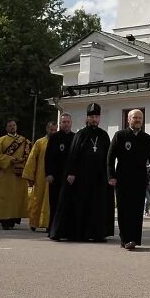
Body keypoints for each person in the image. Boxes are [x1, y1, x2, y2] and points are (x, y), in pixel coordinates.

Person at [49, 103, 112, 242]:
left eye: (96, 117)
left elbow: (109, 157)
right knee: (80, 205)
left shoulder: (104, 135)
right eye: (92, 117)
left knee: (97, 206)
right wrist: (71, 173)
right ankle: (79, 233)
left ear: (99, 118)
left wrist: (110, 174)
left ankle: (97, 234)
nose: (94, 119)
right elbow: (73, 155)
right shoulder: (81, 134)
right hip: (82, 177)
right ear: (87, 118)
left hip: (99, 177)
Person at [107, 109, 150, 250]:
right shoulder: (120, 136)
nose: (138, 120)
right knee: (124, 210)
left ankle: (134, 239)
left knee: (137, 211)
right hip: (122, 179)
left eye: (140, 118)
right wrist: (111, 176)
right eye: (135, 118)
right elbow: (110, 157)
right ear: (128, 119)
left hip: (139, 179)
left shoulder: (147, 139)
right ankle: (125, 239)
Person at [0, 119, 30, 230]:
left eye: (14, 125)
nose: (12, 127)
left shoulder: (24, 141)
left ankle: (14, 218)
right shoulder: (1, 141)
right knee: (5, 197)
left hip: (19, 174)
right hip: (6, 174)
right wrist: (9, 159)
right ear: (6, 128)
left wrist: (22, 161)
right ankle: (5, 220)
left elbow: (29, 155)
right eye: (10, 126)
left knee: (17, 197)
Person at [23, 121, 57, 232]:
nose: (53, 132)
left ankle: (48, 223)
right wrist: (30, 177)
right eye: (51, 130)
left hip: (53, 176)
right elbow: (32, 159)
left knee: (50, 201)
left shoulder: (58, 141)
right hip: (40, 176)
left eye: (54, 130)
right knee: (37, 199)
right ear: (47, 129)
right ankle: (34, 222)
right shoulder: (39, 142)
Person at [44, 112, 75, 231]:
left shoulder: (75, 137)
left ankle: (67, 229)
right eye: (63, 122)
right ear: (60, 124)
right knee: (55, 203)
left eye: (68, 122)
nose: (66, 124)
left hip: (70, 177)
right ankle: (53, 228)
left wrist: (74, 173)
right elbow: (48, 157)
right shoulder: (54, 138)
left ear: (71, 123)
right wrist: (49, 174)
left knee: (69, 203)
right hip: (56, 176)